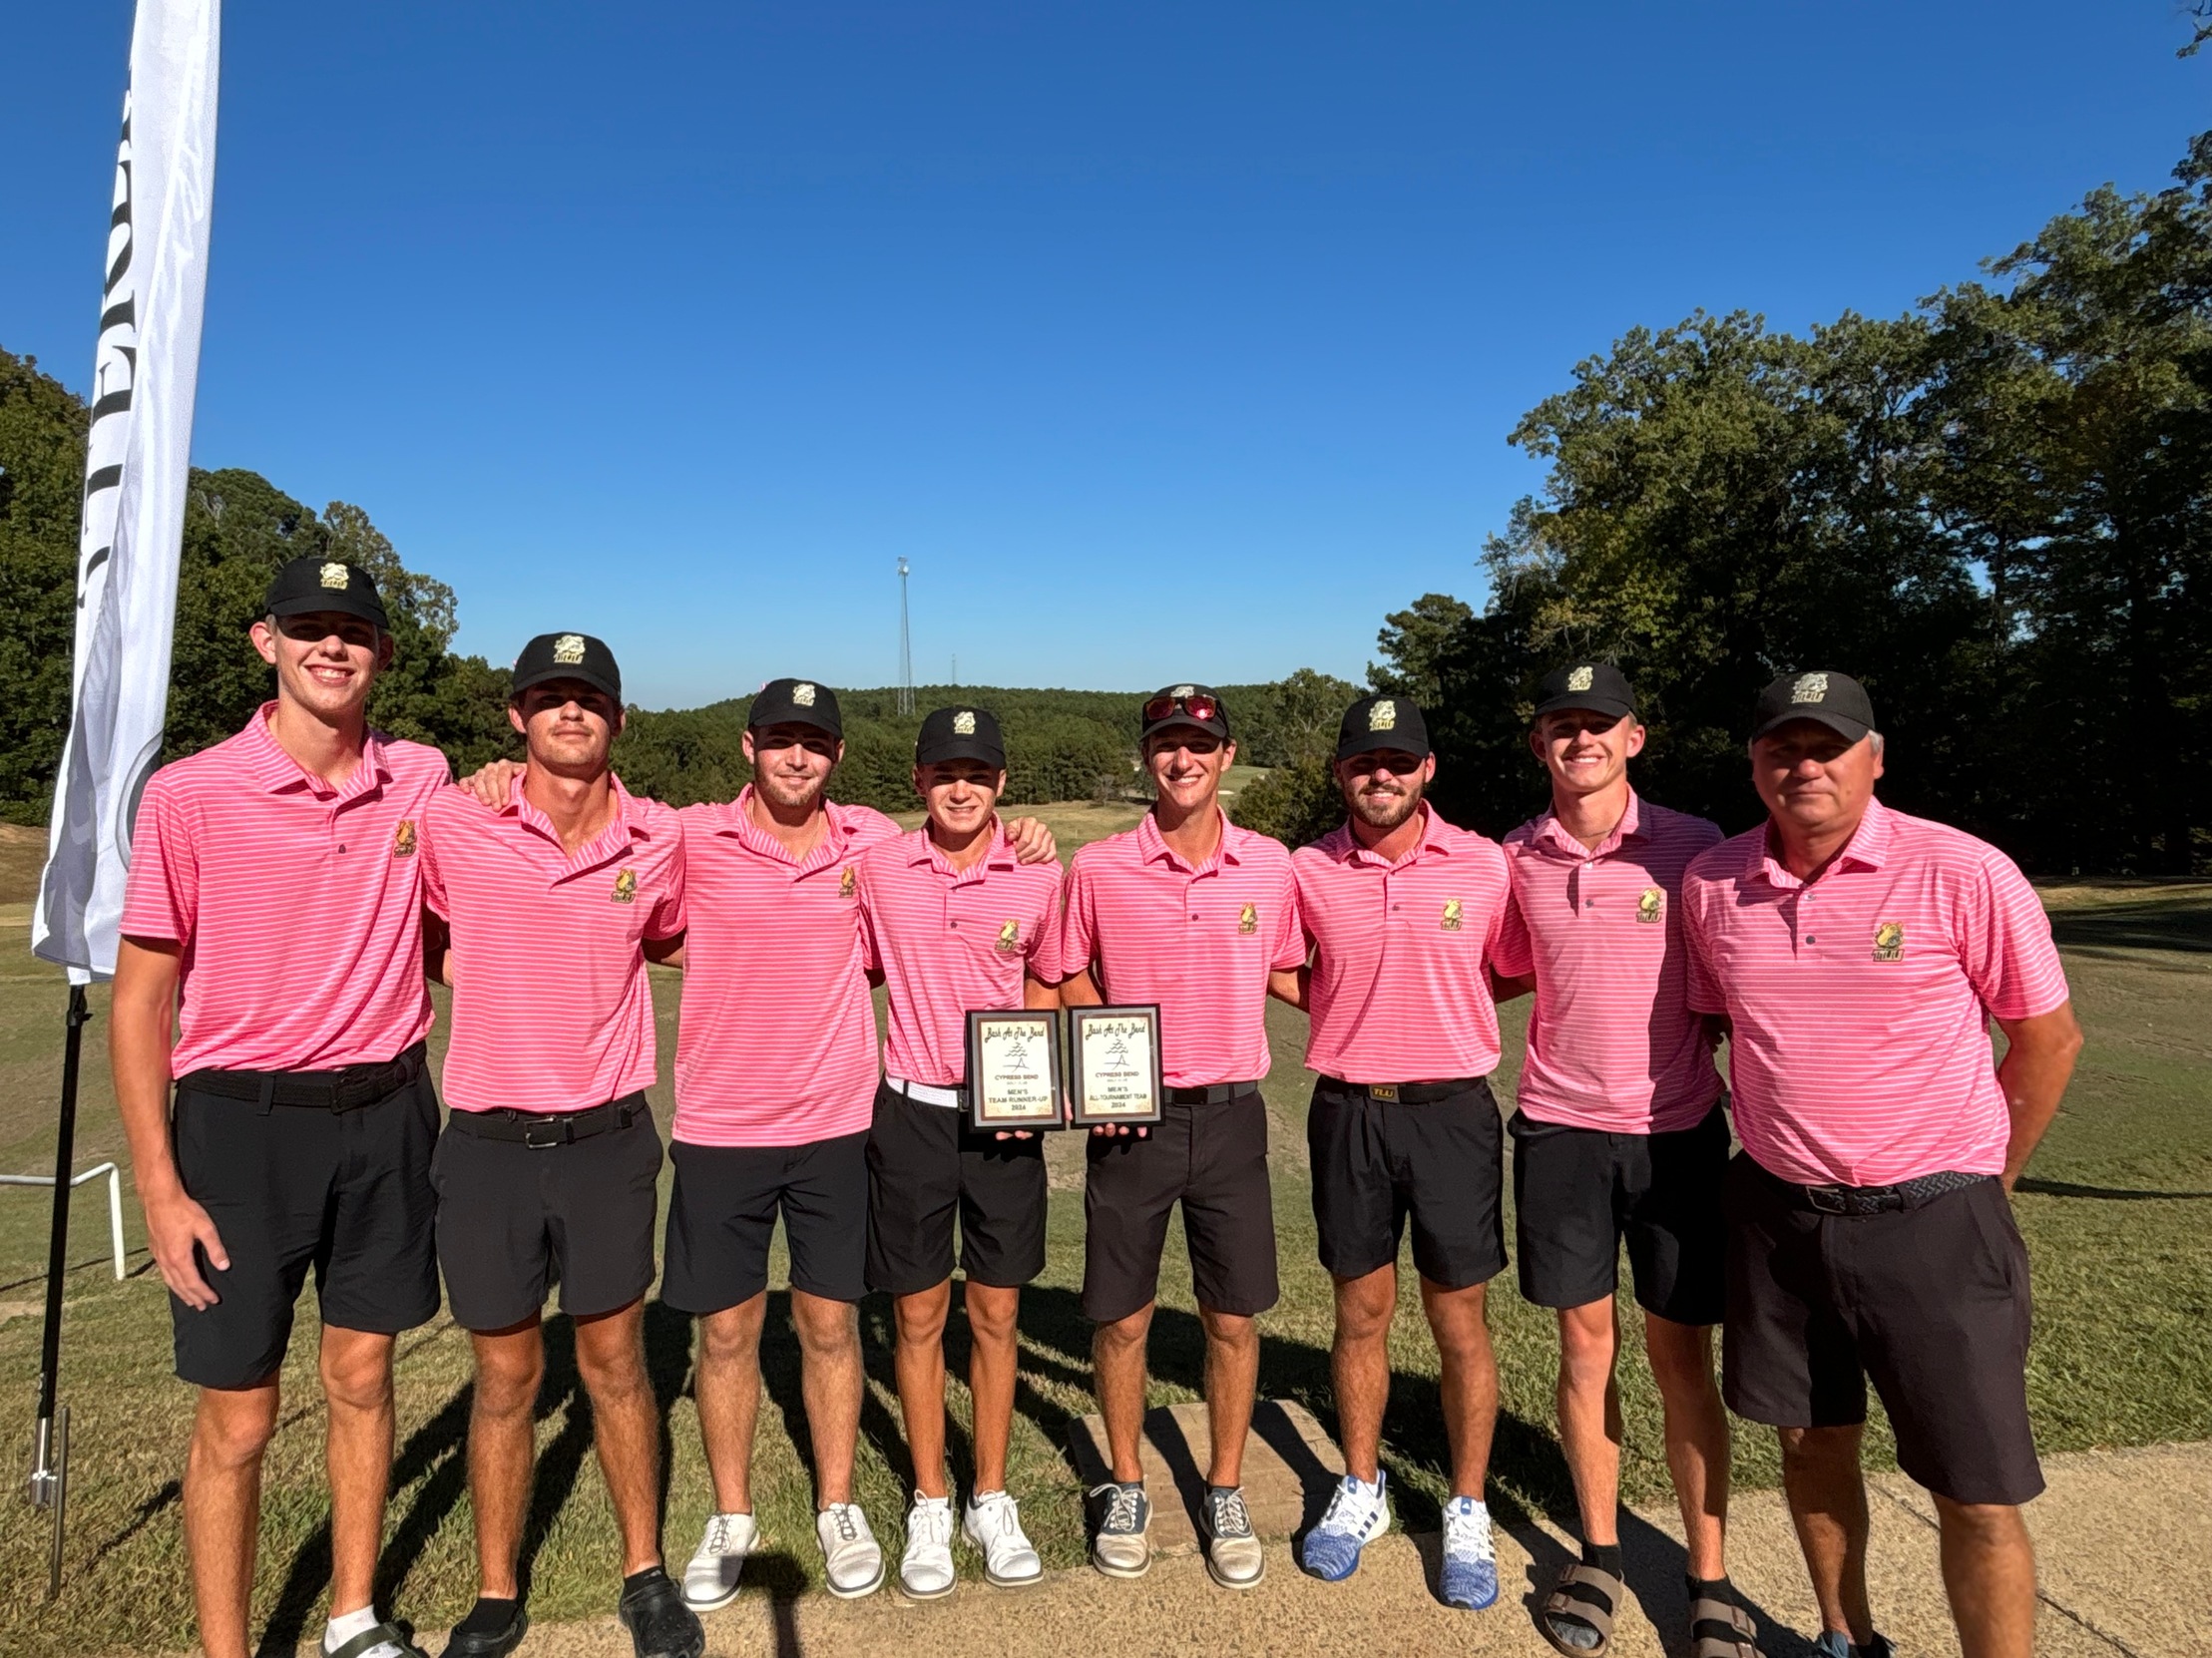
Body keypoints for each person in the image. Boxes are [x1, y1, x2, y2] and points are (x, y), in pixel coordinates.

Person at [622, 680, 1055, 1610]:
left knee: (829, 1325)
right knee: (728, 1330)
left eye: (814, 743)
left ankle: (839, 1504)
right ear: (748, 747)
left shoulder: (868, 845)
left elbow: (1039, 962)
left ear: (840, 758)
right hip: (720, 1122)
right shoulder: (696, 836)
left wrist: (1029, 837)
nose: (796, 757)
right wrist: (488, 782)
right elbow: (608, 834)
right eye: (780, 740)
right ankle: (731, 1516)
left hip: (837, 1121)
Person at [1679, 671, 2082, 1658]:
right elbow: (1729, 1026)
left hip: (1936, 1218)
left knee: (1974, 1488)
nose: (1804, 766)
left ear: (1876, 757)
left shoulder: (1963, 870)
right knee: (1810, 1445)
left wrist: (1991, 1180)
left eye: (1828, 746)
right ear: (1755, 763)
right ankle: (1843, 1638)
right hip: (1778, 1215)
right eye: (1783, 748)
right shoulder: (1713, 883)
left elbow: (2049, 1039)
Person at [111, 557, 448, 1658]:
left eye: (354, 630)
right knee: (240, 1416)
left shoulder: (424, 779)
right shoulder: (190, 792)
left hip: (390, 1113)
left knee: (360, 1375)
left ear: (383, 652)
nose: (332, 647)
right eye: (309, 626)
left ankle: (353, 1617)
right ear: (267, 641)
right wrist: (159, 1188)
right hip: (240, 1128)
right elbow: (143, 999)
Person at [419, 633, 700, 1658]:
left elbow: (667, 935)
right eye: (549, 699)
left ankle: (644, 1573)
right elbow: (419, 931)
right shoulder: (457, 817)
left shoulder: (657, 838)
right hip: (489, 1138)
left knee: (618, 1359)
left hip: (608, 1137)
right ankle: (498, 1595)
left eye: (588, 700)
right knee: (504, 1377)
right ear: (516, 717)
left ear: (618, 720)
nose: (569, 714)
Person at [1489, 662, 1753, 1658]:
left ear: (1634, 738)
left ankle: (1709, 1575)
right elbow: (1504, 969)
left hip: (1677, 1133)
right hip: (1558, 1130)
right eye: (1561, 725)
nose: (1580, 741)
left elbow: (1737, 981)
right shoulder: (1514, 855)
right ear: (1540, 745)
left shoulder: (1697, 849)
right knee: (1583, 1349)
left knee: (1682, 1356)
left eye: (1598, 724)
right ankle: (1599, 1554)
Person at [1051, 684, 1303, 1591]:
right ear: (1145, 757)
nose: (1181, 760)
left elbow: (1290, 972)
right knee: (1121, 1319)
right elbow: (1066, 968)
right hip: (1133, 1121)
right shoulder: (1101, 866)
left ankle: (1224, 1486)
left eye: (1198, 745)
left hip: (1233, 1117)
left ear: (1226, 755)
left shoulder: (1270, 867)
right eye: (1164, 744)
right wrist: (1103, 1054)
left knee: (1232, 1318)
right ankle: (1126, 1481)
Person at [1282, 695, 1513, 1610]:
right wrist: (1346, 1013)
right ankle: (1362, 1486)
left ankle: (1465, 1506)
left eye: (1398, 760)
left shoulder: (1485, 864)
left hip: (1452, 1111)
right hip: (1348, 1111)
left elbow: (1510, 967)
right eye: (1362, 762)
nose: (1380, 775)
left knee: (1459, 1321)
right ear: (1342, 773)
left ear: (1427, 770)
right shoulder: (1307, 868)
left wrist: (1433, 1017)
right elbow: (1276, 962)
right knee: (1361, 1313)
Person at [852, 705, 1063, 1598]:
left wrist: (1042, 1088)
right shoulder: (880, 868)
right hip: (910, 1114)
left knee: (998, 1315)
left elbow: (1053, 983)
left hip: (1004, 1119)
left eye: (977, 773)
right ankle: (930, 1500)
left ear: (1002, 784)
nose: (961, 788)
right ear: (919, 783)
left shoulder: (1041, 876)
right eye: (944, 773)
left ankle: (991, 1492)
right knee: (915, 1317)